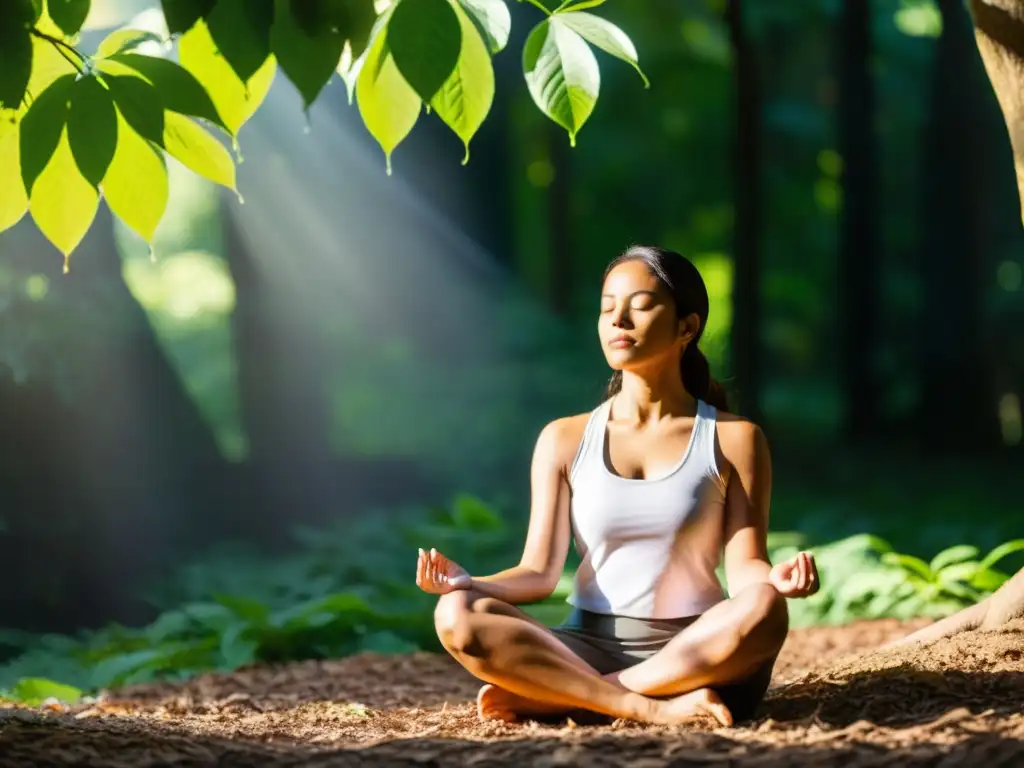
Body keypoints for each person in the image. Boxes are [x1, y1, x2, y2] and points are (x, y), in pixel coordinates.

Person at [415, 245, 820, 727]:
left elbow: (746, 565)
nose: (618, 320)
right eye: (608, 308)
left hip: (695, 654)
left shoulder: (735, 439)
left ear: (687, 327)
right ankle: (642, 707)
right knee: (456, 613)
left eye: (640, 305)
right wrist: (471, 583)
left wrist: (775, 582)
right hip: (587, 647)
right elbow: (539, 573)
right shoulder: (563, 439)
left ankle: (570, 696)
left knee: (765, 609)